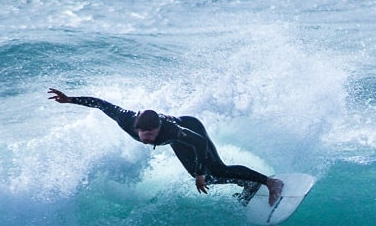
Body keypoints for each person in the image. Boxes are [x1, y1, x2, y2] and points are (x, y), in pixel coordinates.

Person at [47, 88, 283, 206]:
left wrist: (201, 172)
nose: (147, 139)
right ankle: (248, 184)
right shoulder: (125, 119)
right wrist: (69, 100)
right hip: (177, 141)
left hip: (192, 131)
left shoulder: (172, 129)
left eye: (152, 135)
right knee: (203, 179)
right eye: (144, 135)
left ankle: (269, 182)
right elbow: (100, 103)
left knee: (215, 169)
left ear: (159, 128)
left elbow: (199, 143)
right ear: (137, 129)